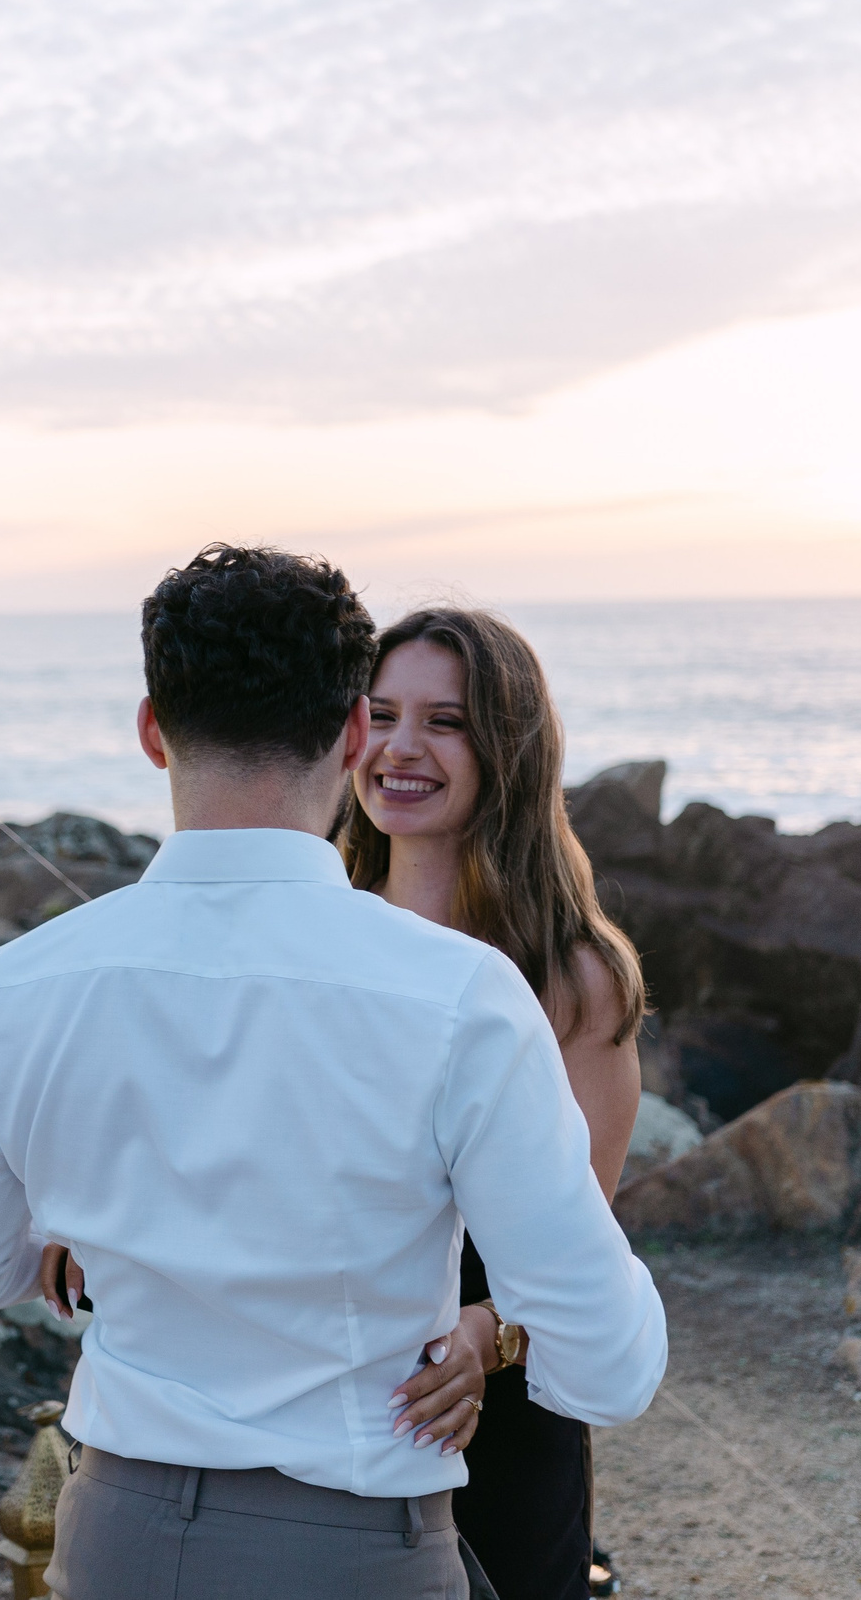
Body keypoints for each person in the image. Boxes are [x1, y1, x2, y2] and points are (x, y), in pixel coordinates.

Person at [0, 545, 666, 1600]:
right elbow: (609, 1363)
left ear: (150, 729)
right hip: (352, 1547)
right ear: (353, 731)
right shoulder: (460, 995)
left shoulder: (15, 984)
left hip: (118, 1536)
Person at [345, 607, 649, 1600]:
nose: (399, 747)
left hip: (500, 1419)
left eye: (444, 721)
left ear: (505, 749)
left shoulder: (574, 980)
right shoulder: (317, 941)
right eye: (381, 712)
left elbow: (574, 1257)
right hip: (321, 1393)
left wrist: (479, 1338)